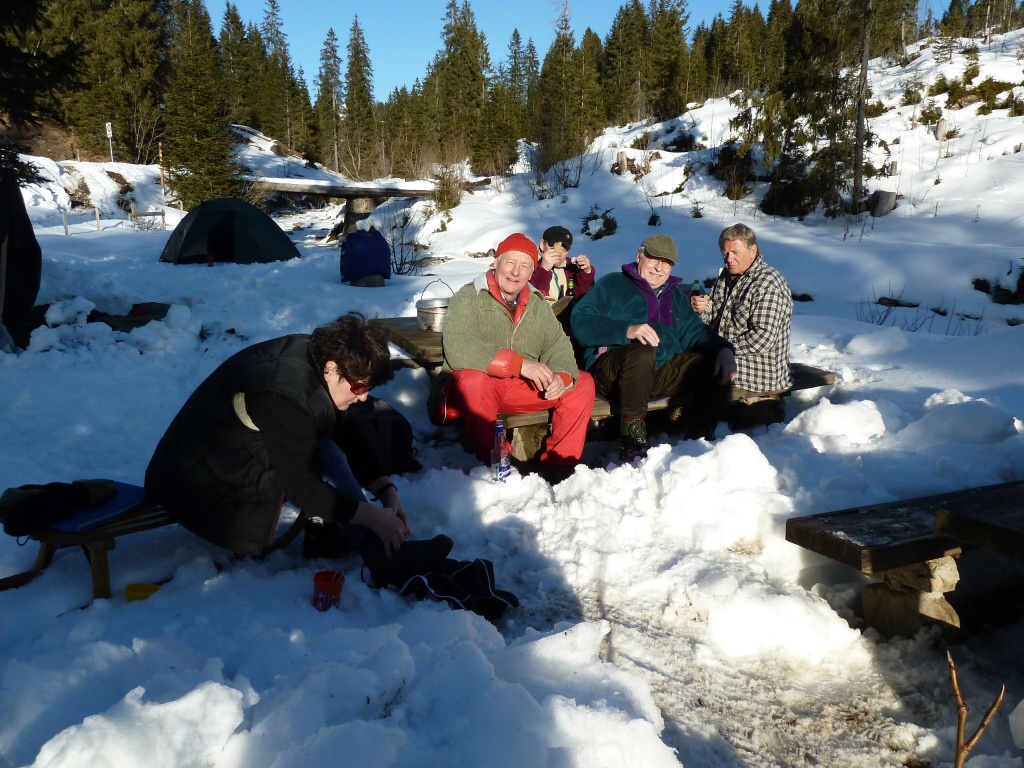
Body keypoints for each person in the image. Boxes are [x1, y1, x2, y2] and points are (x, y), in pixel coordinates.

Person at [146, 313, 439, 574]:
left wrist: (386, 491)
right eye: (359, 387)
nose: (364, 397)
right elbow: (302, 486)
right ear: (331, 369)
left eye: (369, 388)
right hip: (199, 478)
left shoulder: (324, 364)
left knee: (333, 447)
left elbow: (351, 433)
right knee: (326, 453)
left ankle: (376, 550)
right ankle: (379, 552)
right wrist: (374, 518)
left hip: (239, 452)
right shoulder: (284, 396)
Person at [434, 232, 596, 482]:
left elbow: (557, 343)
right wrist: (518, 364)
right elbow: (459, 347)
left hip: (519, 389)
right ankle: (498, 460)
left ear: (533, 272)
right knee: (470, 379)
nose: (515, 272)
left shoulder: (538, 303)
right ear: (496, 262)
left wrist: (561, 377)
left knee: (581, 382)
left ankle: (560, 467)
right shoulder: (468, 297)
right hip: (482, 389)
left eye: (525, 266)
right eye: (510, 262)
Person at [572, 234, 737, 461]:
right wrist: (627, 330)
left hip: (657, 374)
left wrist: (724, 349)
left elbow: (697, 333)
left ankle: (698, 441)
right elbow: (581, 321)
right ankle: (632, 441)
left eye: (667, 263)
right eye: (654, 259)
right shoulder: (613, 284)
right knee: (641, 351)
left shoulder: (675, 296)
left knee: (714, 365)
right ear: (639, 256)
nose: (659, 268)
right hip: (613, 375)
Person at [690, 223, 792, 429]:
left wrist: (722, 349)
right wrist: (702, 310)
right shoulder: (726, 277)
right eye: (725, 253)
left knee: (693, 369)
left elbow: (762, 339)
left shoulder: (767, 283)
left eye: (735, 252)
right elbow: (713, 319)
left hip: (758, 368)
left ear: (752, 250)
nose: (729, 259)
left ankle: (697, 430)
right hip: (729, 355)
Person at [529, 225, 596, 303]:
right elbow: (531, 299)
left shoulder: (570, 267)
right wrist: (543, 270)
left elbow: (583, 299)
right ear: (542, 244)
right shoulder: (529, 264)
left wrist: (586, 273)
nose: (558, 253)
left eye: (564, 250)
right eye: (552, 247)